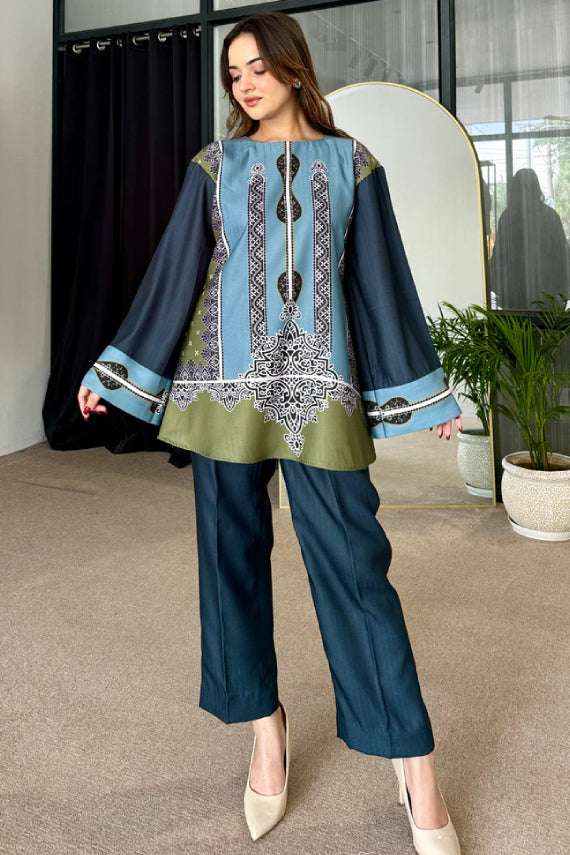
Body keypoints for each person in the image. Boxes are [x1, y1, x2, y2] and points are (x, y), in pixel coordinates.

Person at [78, 12, 463, 853]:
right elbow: (176, 273)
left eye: (258, 66)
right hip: (219, 388)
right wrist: (114, 370)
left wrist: (419, 393)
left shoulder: (353, 164)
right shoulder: (214, 166)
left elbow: (381, 285)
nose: (245, 83)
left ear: (292, 68)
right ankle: (264, 728)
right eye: (234, 73)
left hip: (319, 393)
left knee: (357, 569)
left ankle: (415, 761)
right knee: (229, 560)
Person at [491, 167, 570, 309]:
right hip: (547, 297)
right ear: (537, 189)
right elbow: (562, 258)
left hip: (514, 298)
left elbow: (499, 259)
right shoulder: (550, 216)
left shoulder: (507, 217)